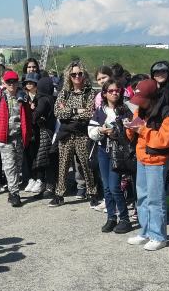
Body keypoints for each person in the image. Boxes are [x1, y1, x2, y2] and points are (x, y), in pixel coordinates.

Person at [125, 79, 169, 251]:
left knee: (155, 199)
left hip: (157, 161)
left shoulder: (166, 113)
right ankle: (145, 231)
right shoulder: (140, 109)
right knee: (142, 198)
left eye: (142, 100)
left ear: (152, 97)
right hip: (141, 158)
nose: (139, 104)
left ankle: (158, 236)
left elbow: (165, 140)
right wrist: (130, 128)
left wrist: (143, 130)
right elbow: (133, 135)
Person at [89, 79, 134, 234]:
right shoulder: (100, 110)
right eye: (111, 91)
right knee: (107, 187)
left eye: (117, 91)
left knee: (115, 187)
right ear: (104, 94)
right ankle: (111, 218)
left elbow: (131, 132)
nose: (115, 93)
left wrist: (116, 132)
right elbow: (91, 131)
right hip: (103, 151)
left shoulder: (125, 110)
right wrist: (101, 131)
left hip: (118, 153)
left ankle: (124, 218)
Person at [51, 61, 97, 207]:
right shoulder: (64, 93)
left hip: (82, 134)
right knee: (63, 165)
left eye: (79, 73)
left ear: (84, 75)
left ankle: (92, 193)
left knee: (86, 164)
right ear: (69, 76)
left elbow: (90, 113)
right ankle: (59, 194)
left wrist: (69, 113)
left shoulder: (90, 93)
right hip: (66, 135)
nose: (77, 76)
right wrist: (77, 111)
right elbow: (58, 112)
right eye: (73, 74)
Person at [0, 71, 31, 208]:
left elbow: (28, 117)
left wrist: (27, 134)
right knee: (10, 166)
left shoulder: (23, 97)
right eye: (8, 82)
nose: (11, 84)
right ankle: (14, 194)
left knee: (17, 166)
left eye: (14, 81)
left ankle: (12, 191)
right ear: (4, 83)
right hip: (4, 138)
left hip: (19, 138)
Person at [21, 71, 41, 192]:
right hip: (26, 130)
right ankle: (30, 178)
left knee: (37, 155)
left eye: (32, 82)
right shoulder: (23, 96)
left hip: (38, 130)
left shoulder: (40, 96)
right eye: (27, 82)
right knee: (27, 155)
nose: (29, 84)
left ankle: (38, 178)